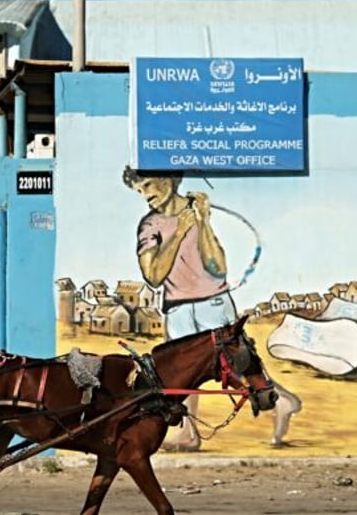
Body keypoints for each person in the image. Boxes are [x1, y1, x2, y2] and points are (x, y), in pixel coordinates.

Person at [122, 166, 300, 449]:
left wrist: (202, 222)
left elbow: (217, 268)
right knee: (182, 374)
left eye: (149, 184)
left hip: (213, 303)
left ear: (170, 179)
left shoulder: (197, 215)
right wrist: (180, 230)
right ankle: (189, 433)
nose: (146, 194)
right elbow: (153, 275)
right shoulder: (150, 225)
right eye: (140, 190)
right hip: (177, 308)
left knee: (236, 365)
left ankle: (283, 401)